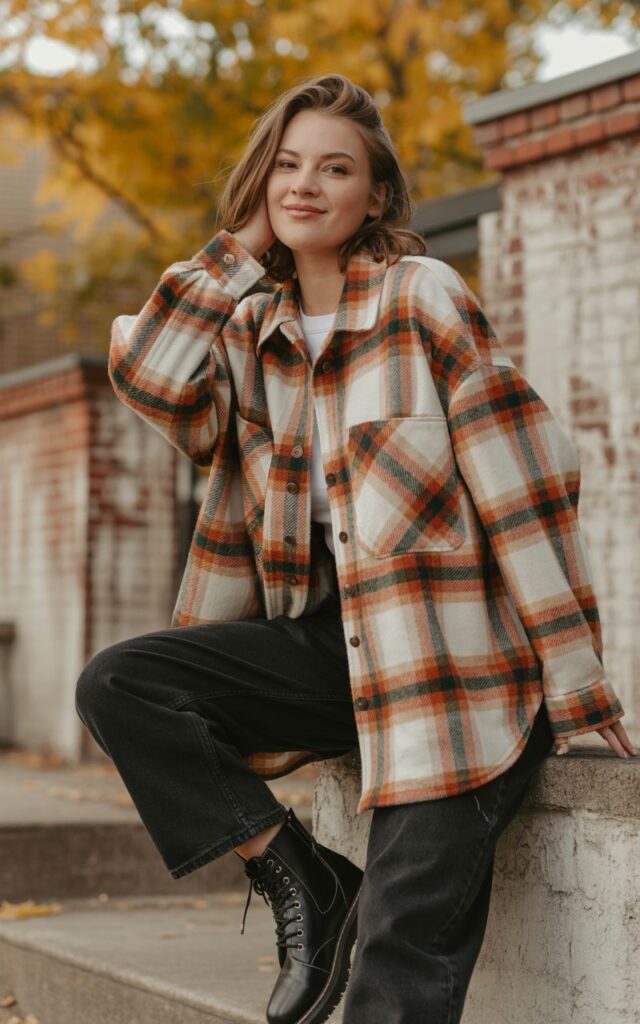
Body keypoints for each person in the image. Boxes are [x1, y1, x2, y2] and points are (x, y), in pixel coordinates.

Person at [75, 73, 636, 1024]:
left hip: (454, 679)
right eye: (285, 167)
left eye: (335, 168)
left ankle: (353, 910)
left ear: (375, 195)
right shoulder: (253, 327)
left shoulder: (425, 299)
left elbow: (520, 495)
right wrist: (243, 246)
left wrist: (577, 689)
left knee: (398, 960)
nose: (306, 185)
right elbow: (152, 378)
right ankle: (301, 881)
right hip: (330, 652)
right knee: (121, 685)